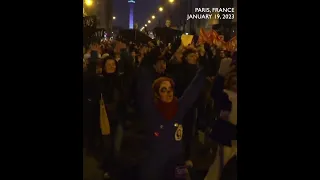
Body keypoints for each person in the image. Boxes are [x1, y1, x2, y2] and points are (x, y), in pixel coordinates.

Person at [137, 63, 206, 180]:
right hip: (156, 164)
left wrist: (203, 70)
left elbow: (193, 90)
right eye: (163, 90)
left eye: (170, 89)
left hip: (176, 161)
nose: (169, 93)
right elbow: (143, 85)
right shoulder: (151, 110)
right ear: (157, 94)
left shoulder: (179, 107)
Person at [204, 58, 237, 180]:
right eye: (234, 82)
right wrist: (221, 75)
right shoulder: (226, 95)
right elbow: (216, 94)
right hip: (228, 140)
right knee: (220, 168)